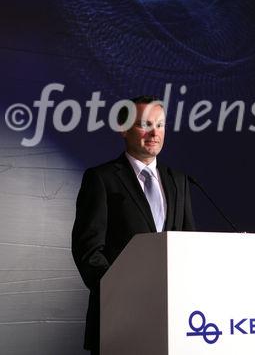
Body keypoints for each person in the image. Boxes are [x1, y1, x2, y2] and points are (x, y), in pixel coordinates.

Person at [71, 96, 195, 354]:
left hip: (171, 321)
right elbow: (88, 250)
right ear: (123, 129)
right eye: (145, 125)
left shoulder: (178, 181)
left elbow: (188, 245)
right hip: (119, 320)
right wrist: (120, 293)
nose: (154, 133)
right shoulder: (101, 179)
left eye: (160, 125)